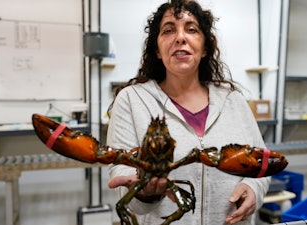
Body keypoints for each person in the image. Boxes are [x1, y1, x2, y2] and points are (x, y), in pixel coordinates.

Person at [106, 0, 270, 224]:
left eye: (191, 29)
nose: (180, 37)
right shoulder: (132, 100)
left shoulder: (233, 101)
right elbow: (121, 175)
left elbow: (261, 164)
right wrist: (144, 192)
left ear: (204, 49)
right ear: (157, 49)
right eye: (168, 30)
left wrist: (253, 188)